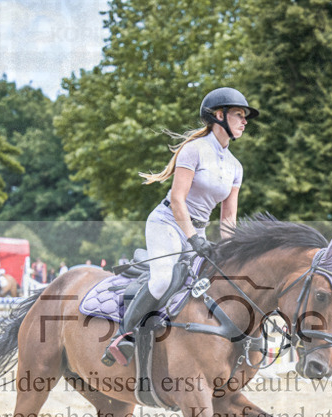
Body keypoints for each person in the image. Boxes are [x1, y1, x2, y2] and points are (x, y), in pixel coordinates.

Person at [104, 86, 258, 364]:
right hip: (167, 223)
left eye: (244, 116)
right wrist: (193, 238)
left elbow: (228, 218)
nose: (244, 121)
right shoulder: (193, 150)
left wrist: (229, 251)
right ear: (219, 116)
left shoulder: (236, 167)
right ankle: (123, 336)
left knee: (208, 284)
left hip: (197, 230)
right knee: (164, 280)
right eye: (239, 114)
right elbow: (177, 199)